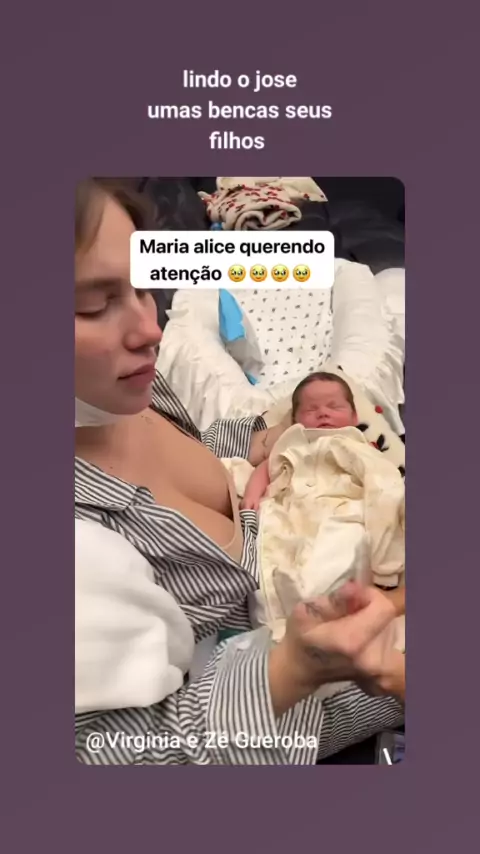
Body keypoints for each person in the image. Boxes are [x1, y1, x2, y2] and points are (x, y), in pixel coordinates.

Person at [75, 178, 404, 765]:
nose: (151, 330)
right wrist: (291, 672)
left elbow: (203, 446)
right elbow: (107, 759)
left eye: (143, 289)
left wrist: (267, 438)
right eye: (95, 305)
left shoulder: (125, 392)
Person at [241, 371, 358, 512]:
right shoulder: (294, 444)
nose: (323, 413)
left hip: (348, 508)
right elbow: (265, 469)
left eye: (334, 407)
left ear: (354, 417)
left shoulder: (358, 443)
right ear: (294, 420)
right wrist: (252, 496)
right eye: (310, 410)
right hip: (296, 507)